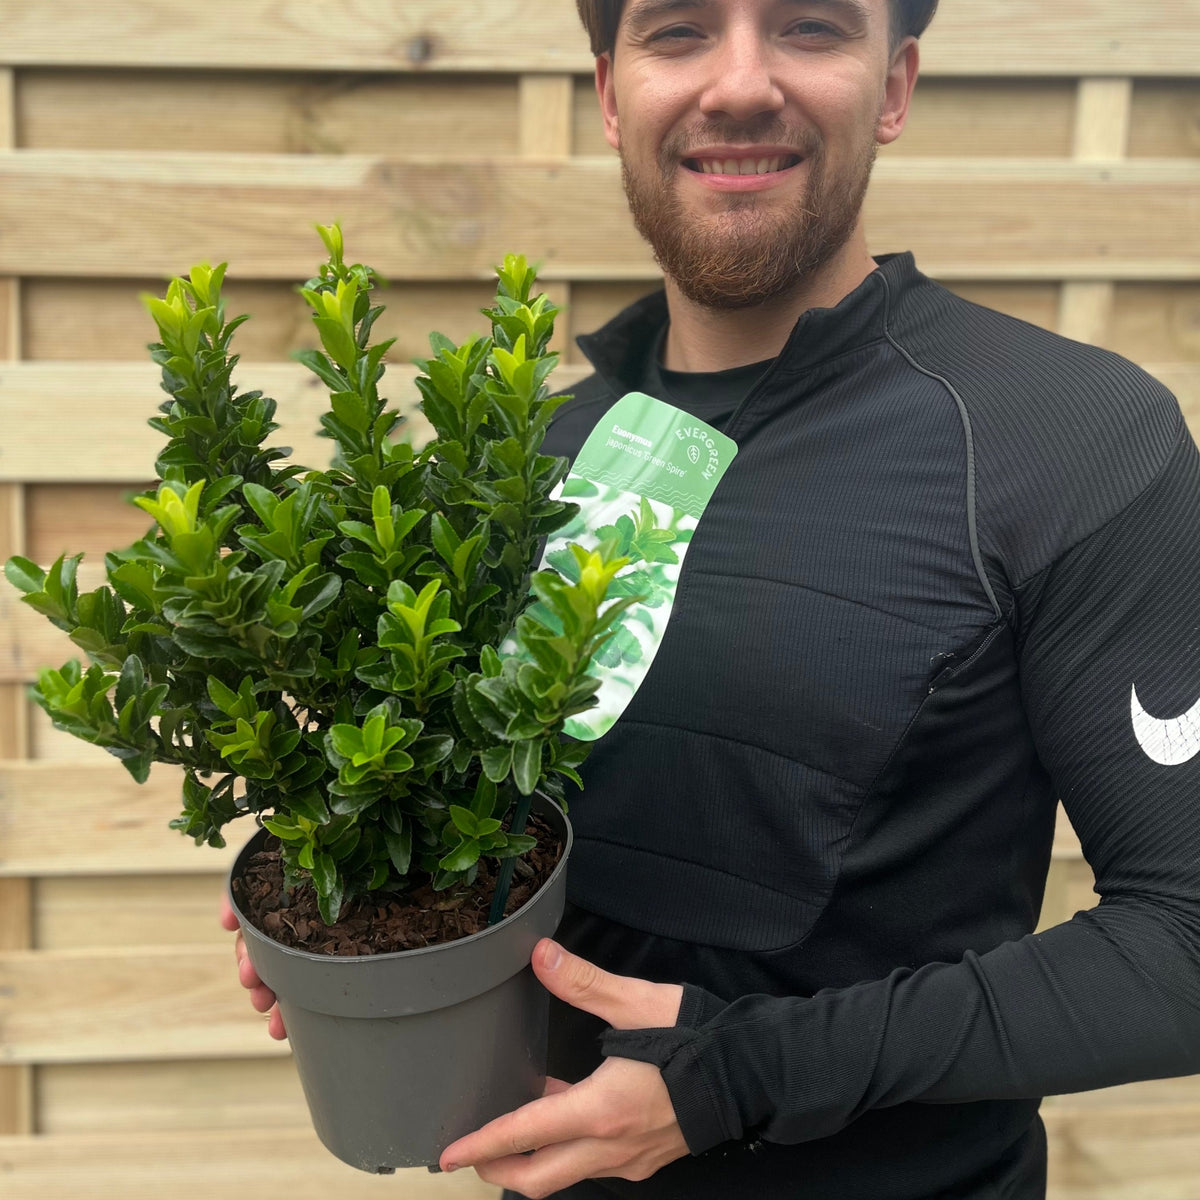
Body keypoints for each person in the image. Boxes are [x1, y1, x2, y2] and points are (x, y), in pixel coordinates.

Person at [222, 1, 1200, 1195]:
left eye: (808, 26)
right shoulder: (524, 461)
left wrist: (734, 1077)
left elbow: (1187, 942)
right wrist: (344, 910)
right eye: (680, 29)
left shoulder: (1066, 439)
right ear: (611, 93)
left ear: (894, 86)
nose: (739, 83)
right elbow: (489, 831)